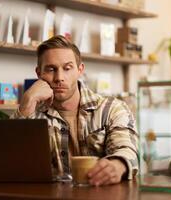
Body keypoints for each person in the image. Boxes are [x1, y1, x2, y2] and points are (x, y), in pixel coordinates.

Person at [11, 35, 138, 186]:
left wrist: (118, 165)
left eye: (67, 68)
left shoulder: (111, 109)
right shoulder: (31, 113)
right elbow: (7, 161)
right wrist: (26, 103)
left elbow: (126, 149)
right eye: (51, 69)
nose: (59, 77)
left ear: (80, 70)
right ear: (39, 73)